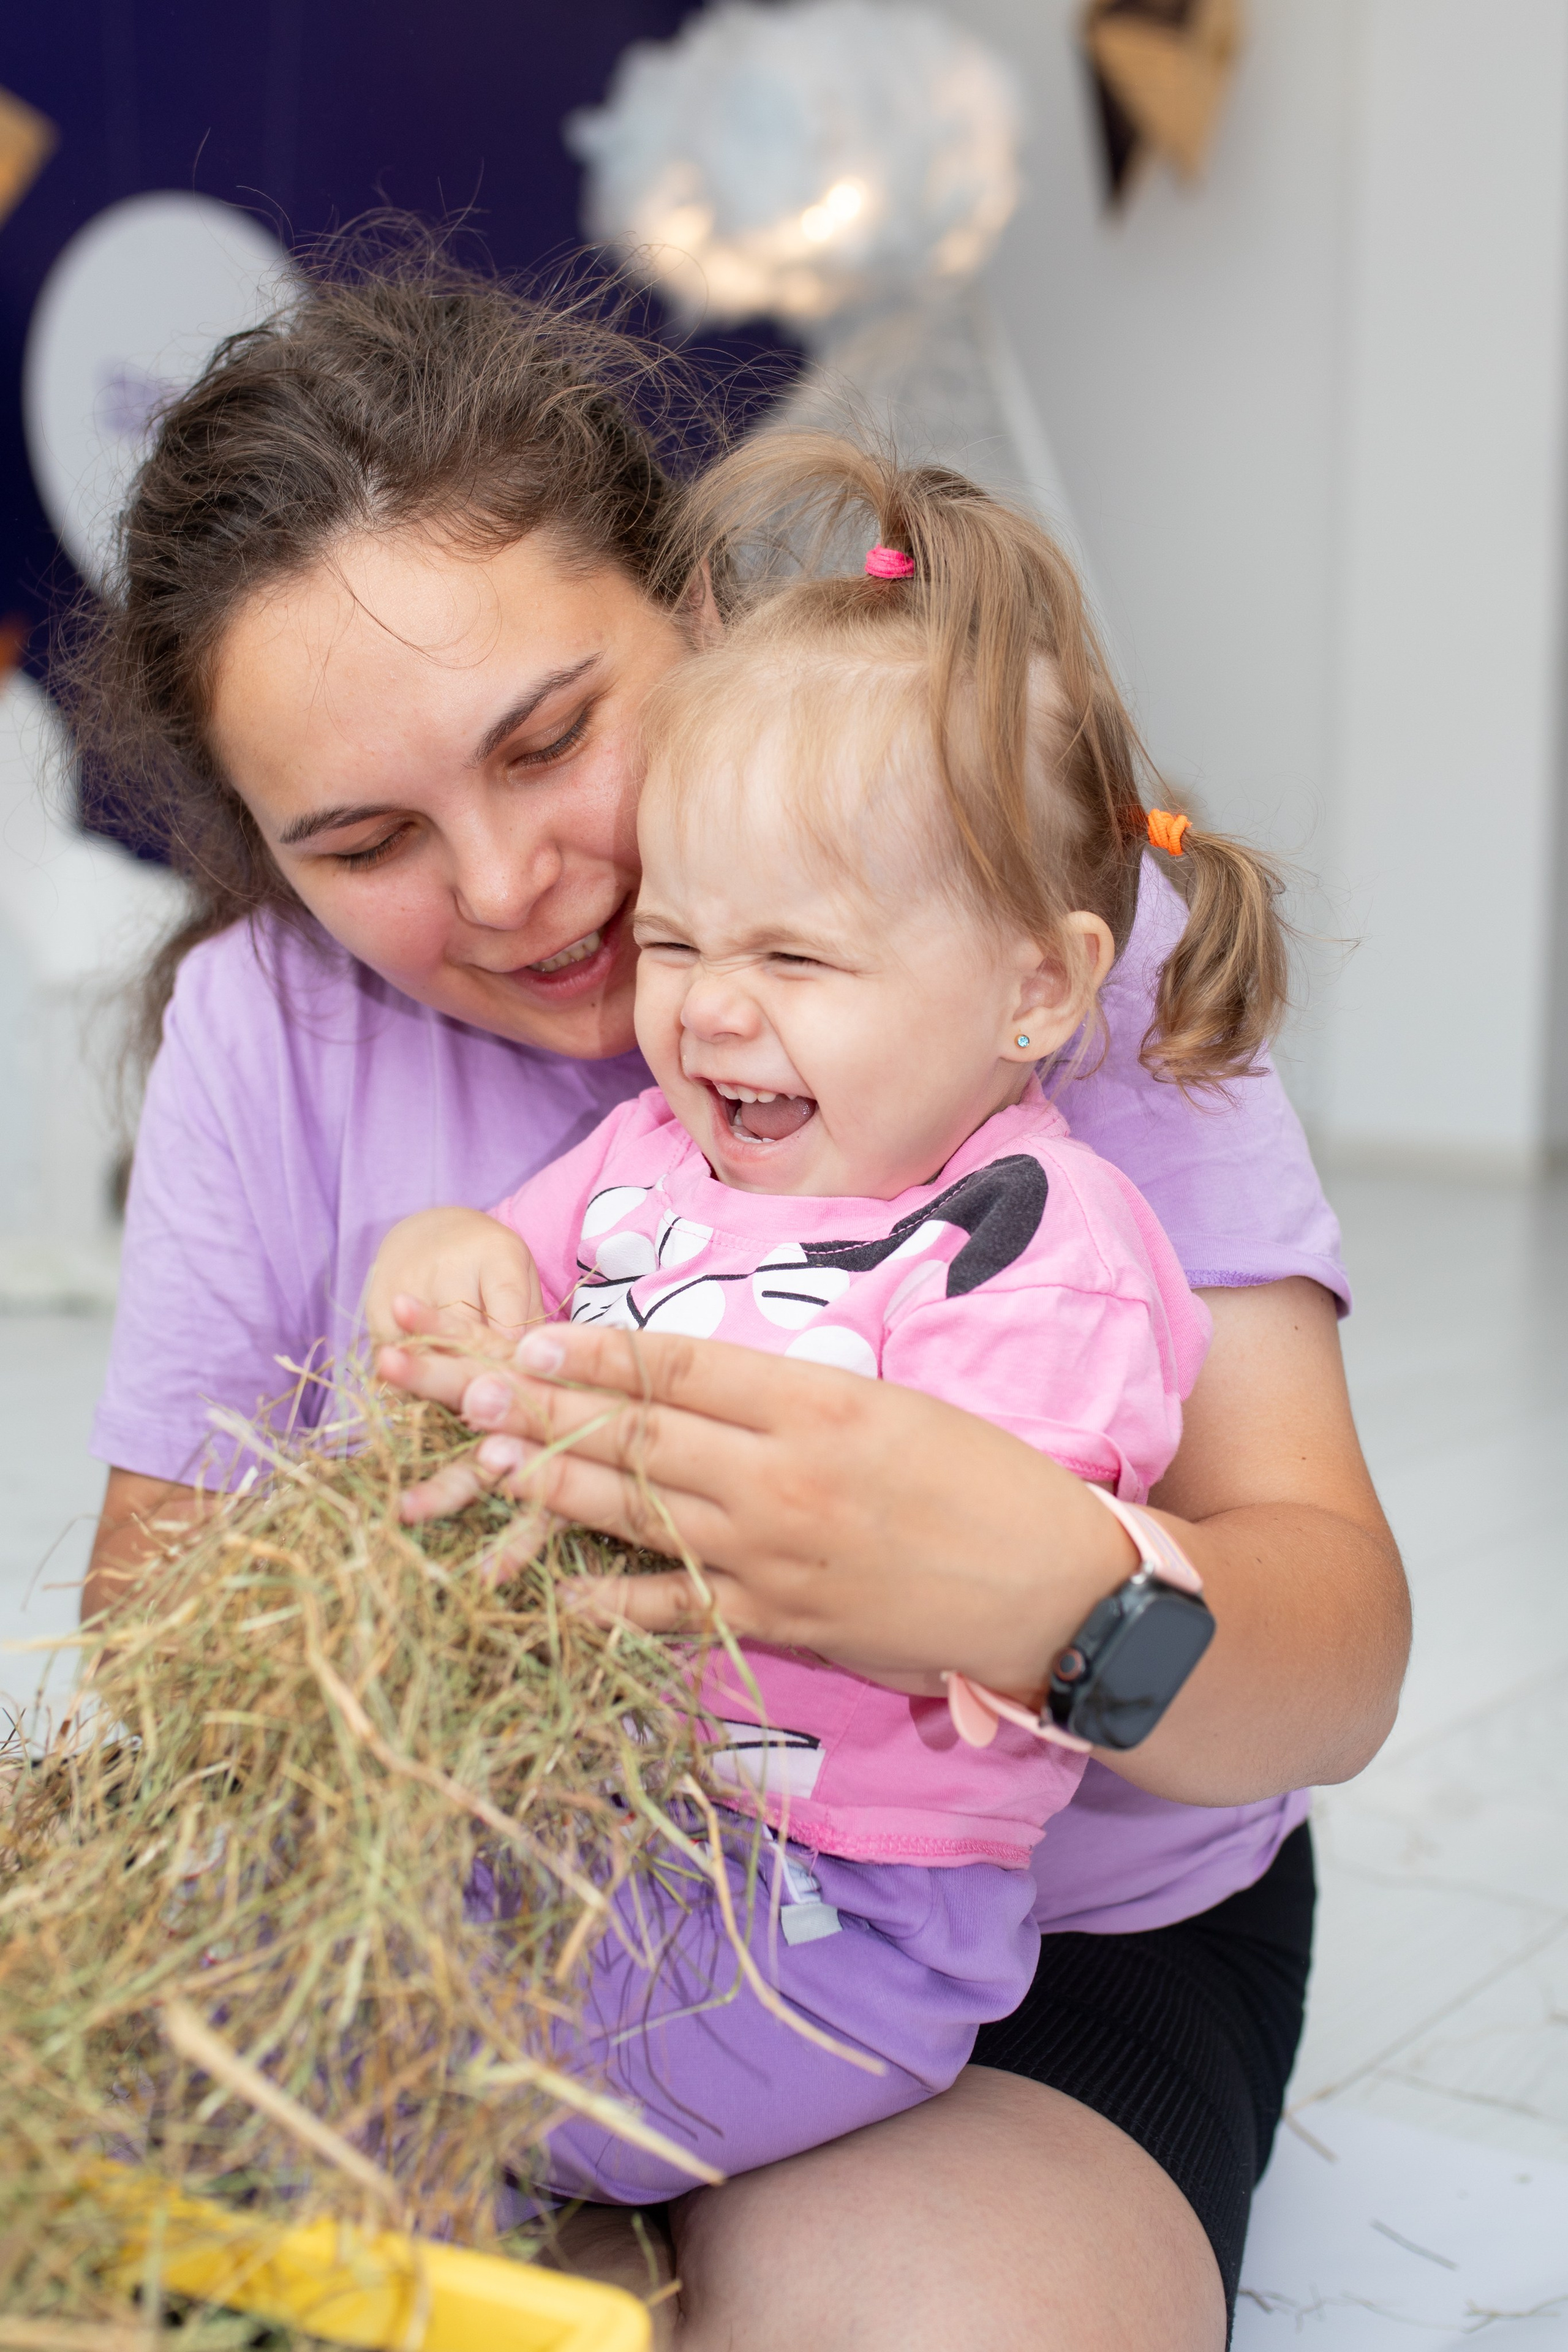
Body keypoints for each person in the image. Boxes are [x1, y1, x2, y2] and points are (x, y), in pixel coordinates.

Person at [75, 243, 1407, 2350]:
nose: (513, 887)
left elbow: (1339, 1656)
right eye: (363, 839)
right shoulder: (272, 1027)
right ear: (260, 854)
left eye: (552, 737)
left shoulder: (1034, 931)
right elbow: (166, 1626)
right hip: (500, 1917)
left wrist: (1049, 1595)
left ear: (697, 613)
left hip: (1027, 1941)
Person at [366, 435, 1250, 2199]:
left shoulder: (1038, 1246)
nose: (710, 1016)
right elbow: (494, 1282)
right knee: (305, 1964)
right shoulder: (644, 1156)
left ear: (1035, 988)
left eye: (799, 960)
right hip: (594, 1799)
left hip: (835, 1898)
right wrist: (447, 1266)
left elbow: (998, 1569)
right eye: (679, 945)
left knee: (467, 2112)